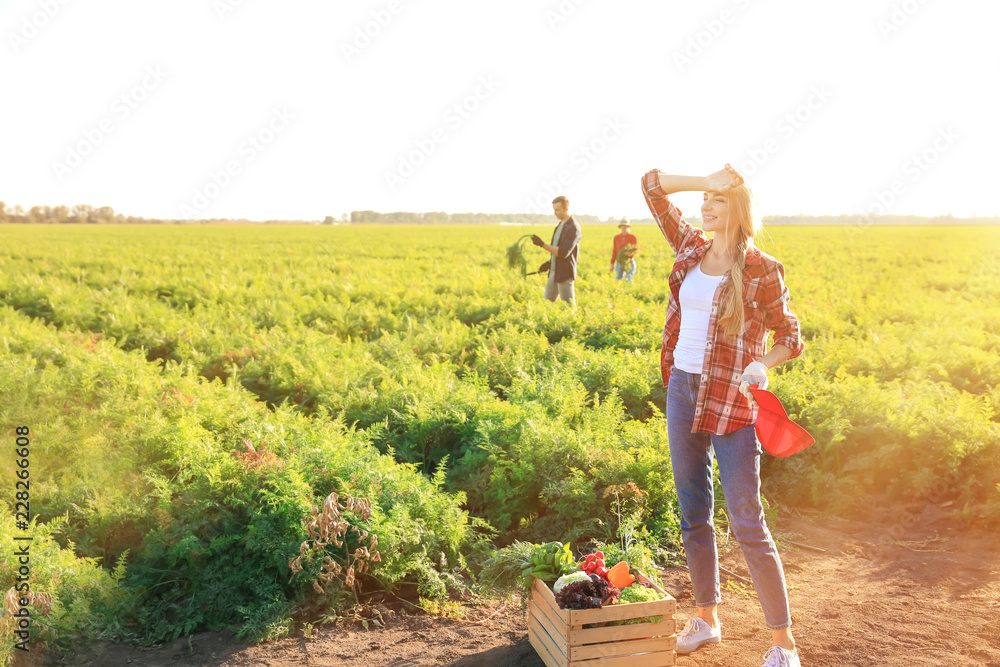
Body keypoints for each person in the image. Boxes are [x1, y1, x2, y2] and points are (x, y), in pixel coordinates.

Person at [640, 164, 805, 667]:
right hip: (683, 391)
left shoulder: (762, 268)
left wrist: (763, 363)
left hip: (733, 401)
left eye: (716, 200)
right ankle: (707, 619)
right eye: (704, 200)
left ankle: (783, 645)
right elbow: (651, 184)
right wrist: (706, 177)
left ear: (737, 209)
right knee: (694, 514)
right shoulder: (689, 246)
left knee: (747, 520)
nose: (704, 207)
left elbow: (791, 338)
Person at [532, 195, 581, 306]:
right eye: (554, 210)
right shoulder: (560, 226)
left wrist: (542, 244)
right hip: (554, 271)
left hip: (565, 273)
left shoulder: (573, 228)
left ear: (566, 209)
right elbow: (557, 248)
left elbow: (563, 253)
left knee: (569, 307)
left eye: (557, 210)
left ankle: (572, 323)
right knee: (547, 305)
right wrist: (550, 263)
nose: (555, 213)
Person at [610, 217, 638, 282]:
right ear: (620, 227)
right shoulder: (616, 238)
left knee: (629, 280)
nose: (624, 228)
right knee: (617, 280)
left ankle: (628, 291)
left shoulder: (633, 237)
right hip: (619, 261)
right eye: (622, 226)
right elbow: (614, 251)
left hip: (629, 261)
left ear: (628, 227)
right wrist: (612, 264)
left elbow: (635, 250)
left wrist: (630, 253)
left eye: (625, 226)